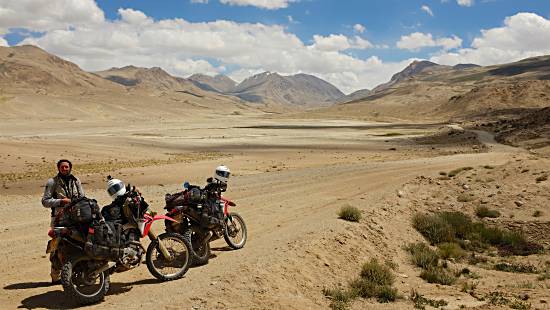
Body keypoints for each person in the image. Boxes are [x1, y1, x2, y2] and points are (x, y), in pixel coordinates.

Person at [41, 159, 85, 283]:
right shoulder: (52, 182)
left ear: (70, 168)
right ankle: (55, 276)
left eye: (67, 167)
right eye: (62, 167)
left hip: (76, 218)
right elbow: (45, 201)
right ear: (58, 168)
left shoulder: (76, 181)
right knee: (57, 247)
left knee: (77, 243)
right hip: (59, 219)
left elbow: (82, 197)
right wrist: (61, 201)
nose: (65, 169)